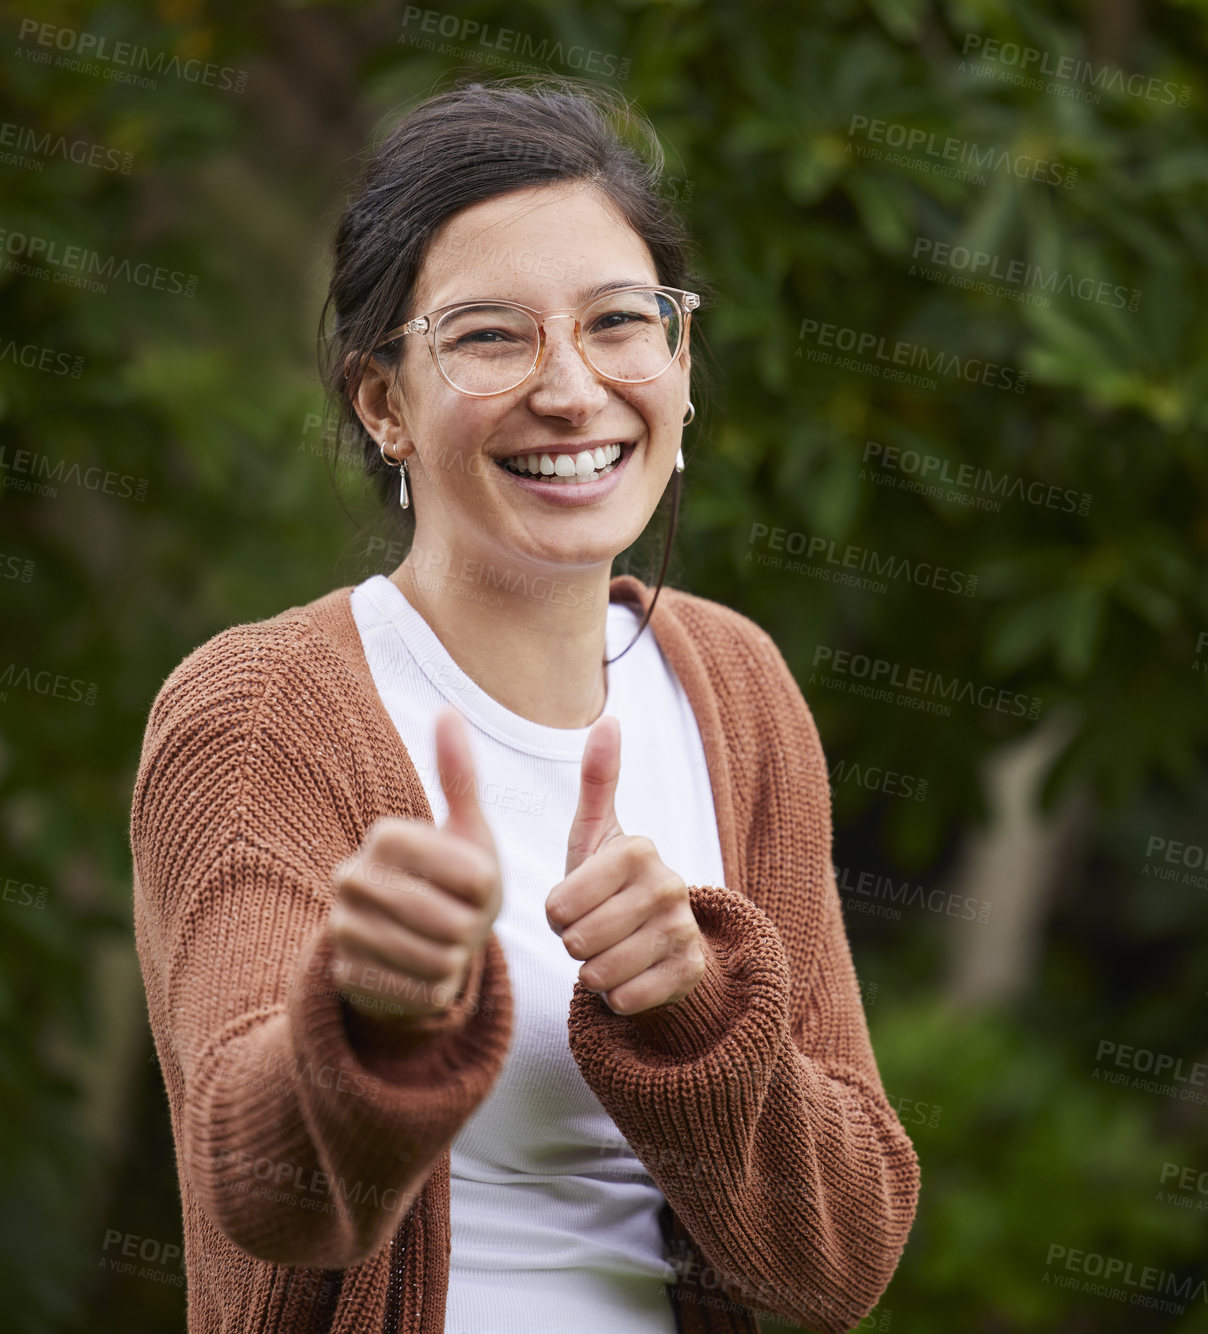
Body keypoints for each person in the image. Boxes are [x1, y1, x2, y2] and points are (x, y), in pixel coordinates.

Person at [130, 75, 919, 1334]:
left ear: (680, 360)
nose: (570, 389)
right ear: (382, 401)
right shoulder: (260, 712)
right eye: (492, 336)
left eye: (618, 321)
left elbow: (839, 1259)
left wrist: (698, 1011)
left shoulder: (737, 688)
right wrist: (364, 1013)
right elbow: (259, 1194)